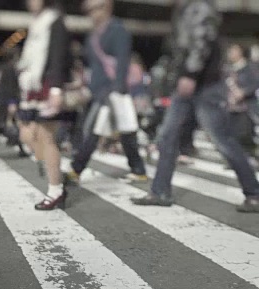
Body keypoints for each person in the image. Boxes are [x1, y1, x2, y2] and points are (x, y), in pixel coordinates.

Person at [131, 0, 259, 213]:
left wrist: (190, 74)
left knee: (222, 139)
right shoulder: (186, 8)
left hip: (205, 84)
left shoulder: (199, 5)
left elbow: (202, 40)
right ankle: (160, 191)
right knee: (167, 136)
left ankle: (254, 193)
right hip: (189, 85)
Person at [65, 0, 147, 185]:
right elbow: (93, 66)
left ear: (107, 6)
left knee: (93, 129)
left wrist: (117, 89)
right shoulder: (93, 35)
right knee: (125, 131)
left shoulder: (117, 30)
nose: (92, 13)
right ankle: (138, 169)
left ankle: (76, 170)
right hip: (98, 90)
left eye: (96, 8)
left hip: (111, 90)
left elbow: (123, 60)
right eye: (89, 10)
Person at [16, 0, 72, 211]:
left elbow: (58, 57)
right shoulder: (36, 22)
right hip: (32, 85)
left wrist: (56, 89)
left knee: (47, 137)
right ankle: (53, 171)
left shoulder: (55, 21)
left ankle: (56, 189)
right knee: (27, 135)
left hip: (47, 85)